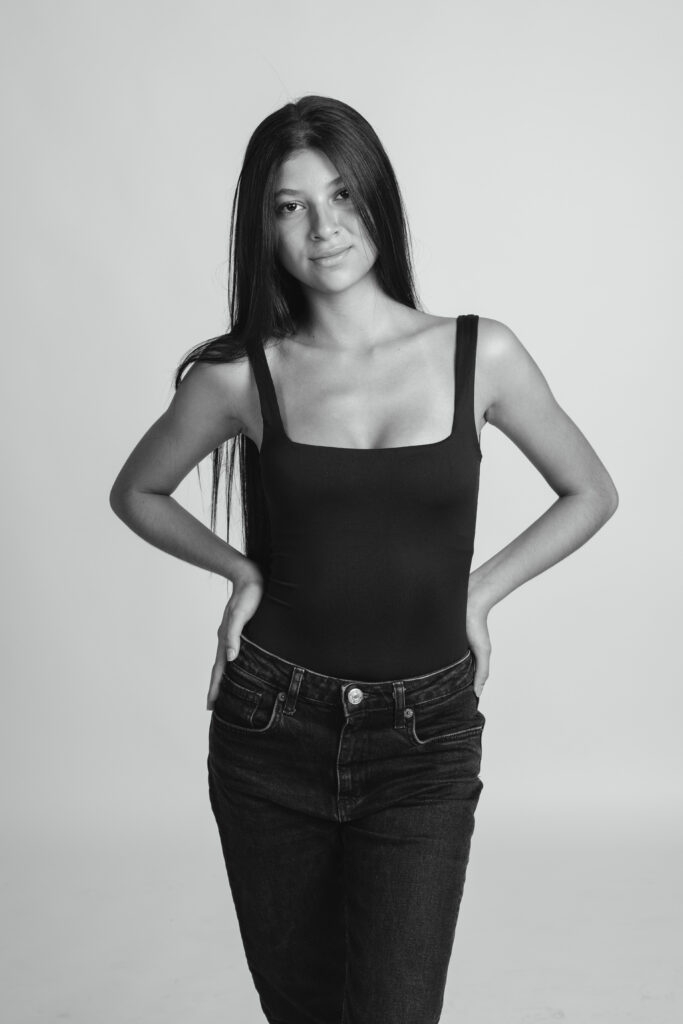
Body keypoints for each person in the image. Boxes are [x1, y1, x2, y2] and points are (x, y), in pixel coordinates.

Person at [110, 95, 619, 1024]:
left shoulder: (479, 353)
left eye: (341, 194)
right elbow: (137, 491)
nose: (323, 226)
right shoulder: (242, 375)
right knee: (304, 1011)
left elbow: (590, 490)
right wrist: (241, 570)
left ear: (377, 198)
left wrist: (479, 592)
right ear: (263, 228)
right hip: (271, 726)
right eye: (290, 205)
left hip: (423, 741)